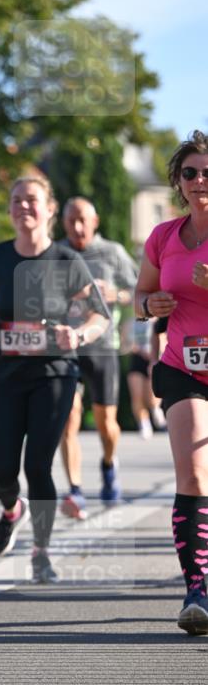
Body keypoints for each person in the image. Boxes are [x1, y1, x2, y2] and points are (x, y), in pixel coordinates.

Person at [0, 175, 110, 583]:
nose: (23, 207)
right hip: (7, 376)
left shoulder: (67, 262)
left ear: (50, 209)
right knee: (0, 470)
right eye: (16, 200)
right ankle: (12, 510)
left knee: (38, 465)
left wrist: (79, 334)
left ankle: (41, 551)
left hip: (55, 373)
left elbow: (99, 316)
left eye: (32, 200)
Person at [135, 130, 208, 636]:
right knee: (195, 475)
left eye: (207, 172)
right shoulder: (162, 237)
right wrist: (150, 306)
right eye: (190, 172)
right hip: (183, 368)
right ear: (178, 182)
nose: (200, 180)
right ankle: (197, 591)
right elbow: (140, 297)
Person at [59, 197, 138, 517]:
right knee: (69, 419)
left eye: (82, 220)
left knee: (107, 423)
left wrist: (115, 295)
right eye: (70, 221)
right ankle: (75, 490)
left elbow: (140, 291)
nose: (77, 227)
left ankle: (108, 463)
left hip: (103, 343)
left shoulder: (113, 253)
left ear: (96, 221)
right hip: (64, 345)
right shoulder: (55, 253)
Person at [125, 316, 167, 439]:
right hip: (137, 359)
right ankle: (144, 424)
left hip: (154, 359)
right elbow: (125, 343)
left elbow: (164, 342)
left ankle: (156, 410)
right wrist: (138, 349)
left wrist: (154, 357)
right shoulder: (130, 323)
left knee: (151, 395)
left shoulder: (158, 321)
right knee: (136, 395)